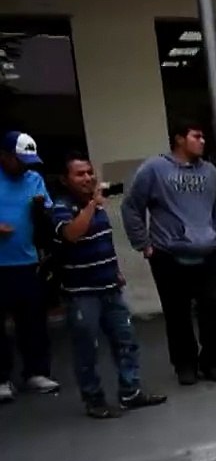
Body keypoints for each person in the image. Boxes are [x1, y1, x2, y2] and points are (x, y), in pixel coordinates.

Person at [50, 153, 166, 418]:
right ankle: (94, 400)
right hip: (82, 294)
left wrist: (115, 271)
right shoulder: (61, 207)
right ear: (65, 180)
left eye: (90, 172)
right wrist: (92, 204)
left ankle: (130, 392)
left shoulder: (97, 207)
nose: (88, 178)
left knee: (126, 342)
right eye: (80, 174)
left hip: (109, 287)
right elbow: (71, 234)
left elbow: (103, 241)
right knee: (87, 350)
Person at [122, 119, 216, 385]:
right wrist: (143, 244)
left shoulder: (210, 172)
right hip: (168, 253)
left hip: (210, 250)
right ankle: (185, 364)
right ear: (180, 139)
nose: (202, 141)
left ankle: (212, 359)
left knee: (213, 308)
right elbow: (131, 207)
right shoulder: (154, 169)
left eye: (203, 136)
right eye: (197, 136)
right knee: (177, 312)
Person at [0, 131, 59, 401]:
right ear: (4, 156)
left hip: (28, 261)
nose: (24, 165)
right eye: (19, 160)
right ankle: (1, 379)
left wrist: (41, 210)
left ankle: (36, 372)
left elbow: (47, 212)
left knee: (33, 321)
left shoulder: (34, 179)